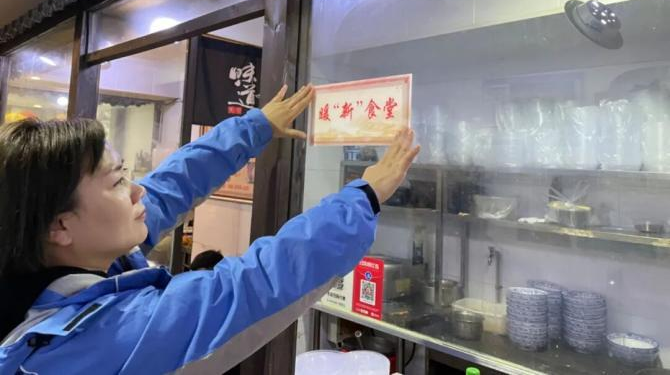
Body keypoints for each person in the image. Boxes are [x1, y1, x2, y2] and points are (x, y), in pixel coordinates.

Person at [0, 84, 419, 374]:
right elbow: (244, 288)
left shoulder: (67, 263)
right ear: (60, 225)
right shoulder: (85, 340)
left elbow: (172, 185)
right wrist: (363, 198)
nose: (137, 191)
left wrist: (255, 127)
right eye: (116, 182)